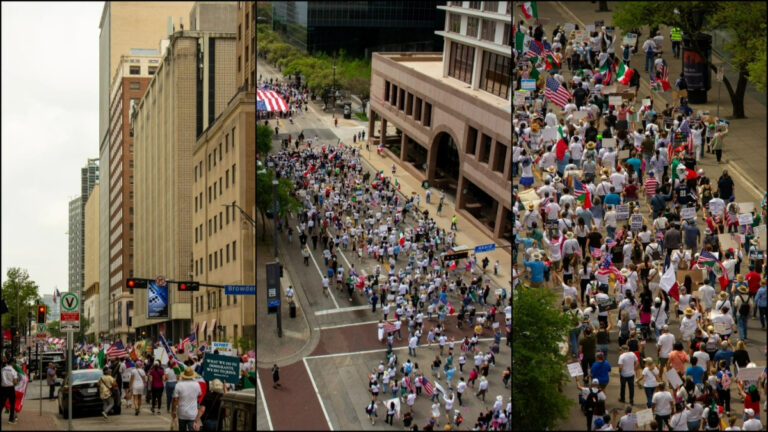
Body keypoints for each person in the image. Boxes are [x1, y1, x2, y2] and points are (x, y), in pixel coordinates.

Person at [172, 368, 202, 432]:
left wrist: (173, 411)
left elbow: (175, 400)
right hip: (193, 413)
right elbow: (199, 395)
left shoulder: (178, 385)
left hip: (181, 412)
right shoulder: (196, 384)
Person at [0, 358, 19, 424]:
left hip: (3, 388)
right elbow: (15, 382)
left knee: (1, 404)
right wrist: (16, 382)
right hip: (10, 388)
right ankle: (11, 419)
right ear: (12, 363)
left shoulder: (2, 369)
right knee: (12, 404)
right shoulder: (13, 371)